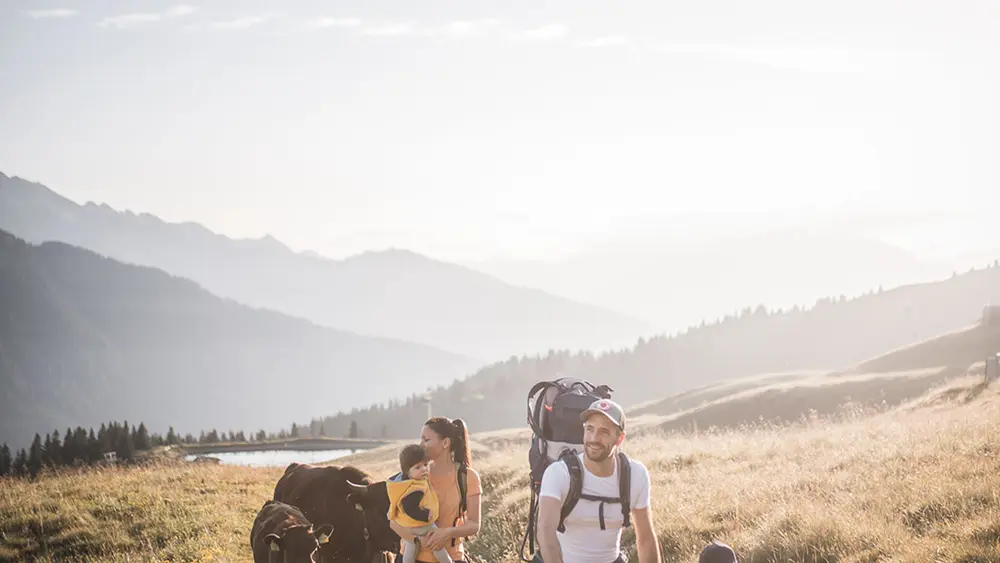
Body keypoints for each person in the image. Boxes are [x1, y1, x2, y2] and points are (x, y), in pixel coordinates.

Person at [536, 399, 662, 563]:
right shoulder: (559, 473)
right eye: (590, 429)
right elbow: (546, 532)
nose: (594, 438)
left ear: (619, 439)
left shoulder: (635, 475)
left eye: (604, 432)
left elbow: (645, 538)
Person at [389, 417, 482, 563]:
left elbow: (474, 525)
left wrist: (447, 533)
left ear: (445, 443)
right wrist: (416, 539)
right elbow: (392, 521)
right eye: (421, 440)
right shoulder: (413, 474)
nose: (421, 445)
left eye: (426, 440)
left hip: (451, 559)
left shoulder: (468, 477)